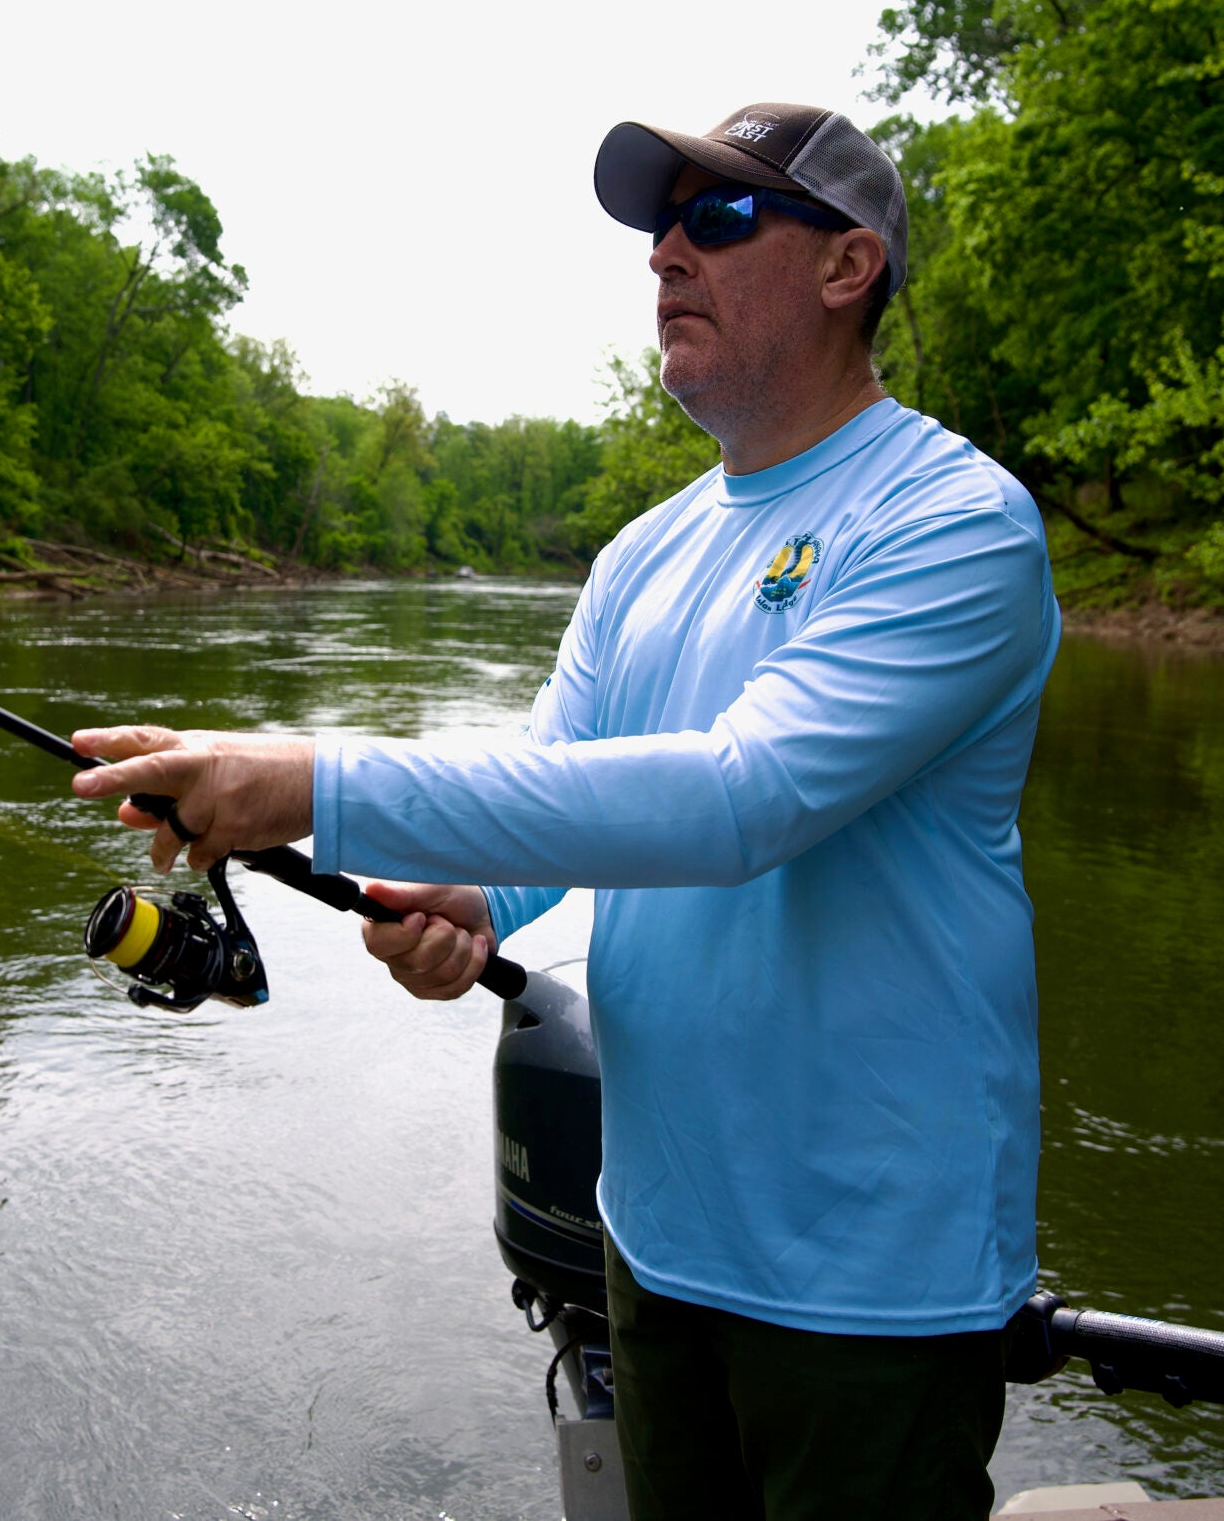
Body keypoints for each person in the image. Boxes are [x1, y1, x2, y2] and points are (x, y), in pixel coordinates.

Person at [71, 102, 1060, 1520]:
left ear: (849, 268)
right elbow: (553, 808)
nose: (664, 252)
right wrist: (471, 906)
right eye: (658, 227)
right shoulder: (641, 556)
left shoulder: (951, 523)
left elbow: (738, 799)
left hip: (873, 1282)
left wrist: (308, 786)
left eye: (718, 220)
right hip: (649, 1241)